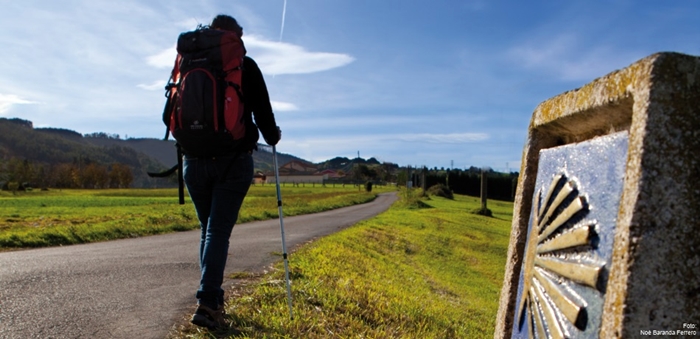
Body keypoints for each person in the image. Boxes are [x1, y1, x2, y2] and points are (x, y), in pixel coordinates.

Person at [183, 14, 281, 330]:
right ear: (235, 36)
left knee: (207, 229)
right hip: (232, 161)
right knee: (218, 231)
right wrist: (273, 135)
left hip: (192, 160)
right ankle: (209, 302)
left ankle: (209, 299)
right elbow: (264, 116)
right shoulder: (242, 64)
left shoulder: (187, 61)